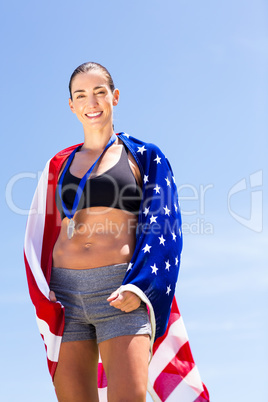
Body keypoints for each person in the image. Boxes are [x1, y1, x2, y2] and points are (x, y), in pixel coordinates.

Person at [24, 62, 185, 401]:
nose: (91, 102)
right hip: (65, 298)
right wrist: (45, 292)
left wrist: (140, 287)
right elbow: (39, 233)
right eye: (81, 95)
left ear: (115, 96)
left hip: (121, 292)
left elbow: (165, 228)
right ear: (71, 105)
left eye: (99, 92)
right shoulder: (59, 163)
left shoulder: (144, 156)